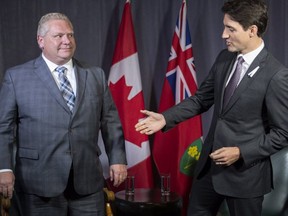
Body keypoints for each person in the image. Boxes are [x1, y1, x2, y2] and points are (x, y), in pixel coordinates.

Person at [135, 0, 288, 215]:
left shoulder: (276, 75)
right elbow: (200, 100)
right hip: (209, 171)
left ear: (252, 30)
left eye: (230, 29)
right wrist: (165, 118)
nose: (223, 35)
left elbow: (283, 133)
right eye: (224, 27)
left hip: (245, 178)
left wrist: (241, 152)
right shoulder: (225, 58)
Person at [0, 12, 127, 215]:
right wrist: (3, 168)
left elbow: (110, 121)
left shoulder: (95, 75)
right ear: (41, 41)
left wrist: (118, 158)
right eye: (59, 36)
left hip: (87, 183)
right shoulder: (16, 77)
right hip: (38, 184)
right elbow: (3, 128)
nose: (67, 41)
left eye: (70, 35)